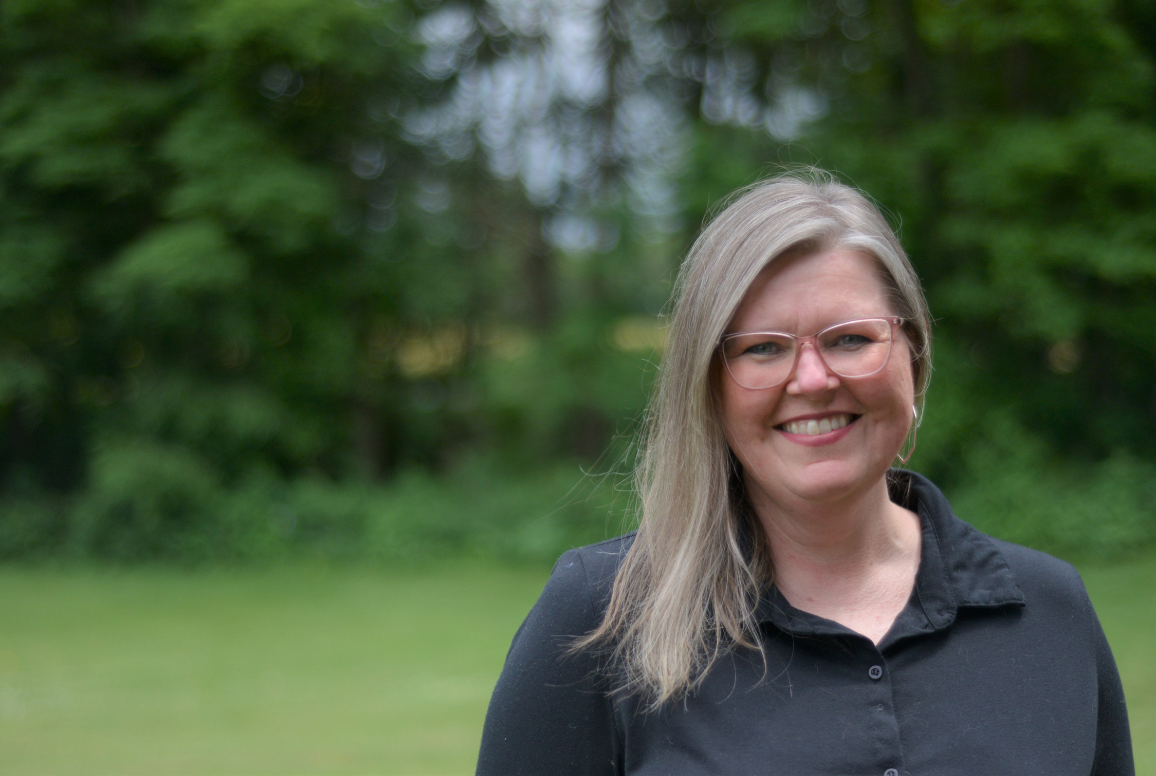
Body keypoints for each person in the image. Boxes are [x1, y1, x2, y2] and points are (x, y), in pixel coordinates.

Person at [475, 172, 1134, 776]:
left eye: (850, 338)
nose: (813, 379)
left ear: (914, 350)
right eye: (763, 348)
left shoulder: (1049, 612)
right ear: (707, 386)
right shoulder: (599, 619)